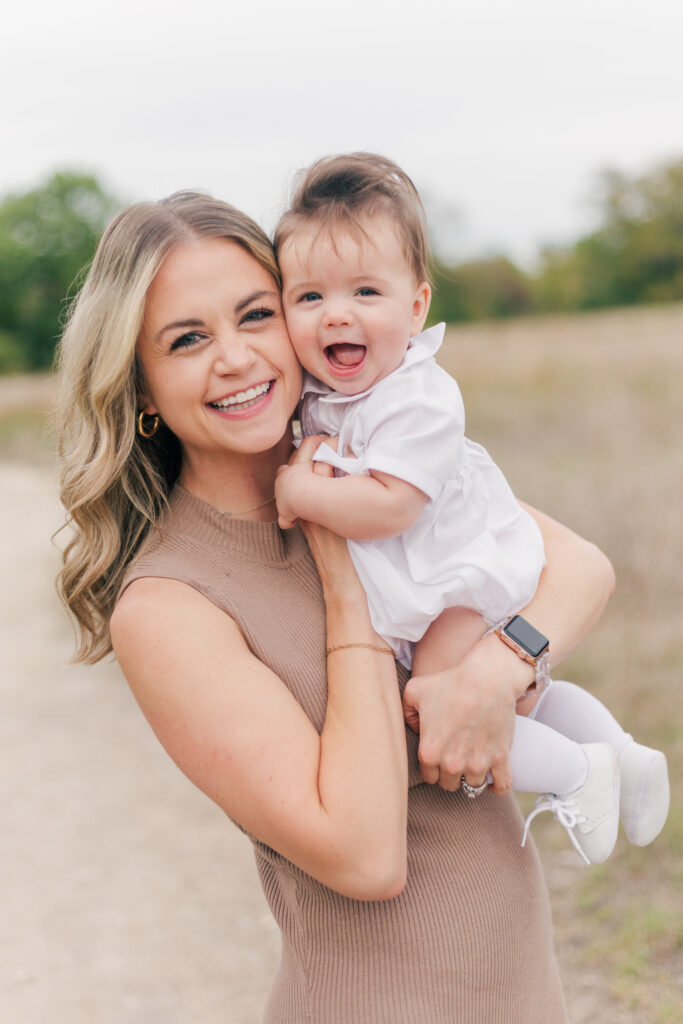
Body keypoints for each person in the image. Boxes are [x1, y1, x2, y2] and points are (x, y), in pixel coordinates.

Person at [56, 189, 615, 1023]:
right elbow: (362, 858)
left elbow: (578, 566)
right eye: (187, 339)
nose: (237, 358)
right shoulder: (169, 603)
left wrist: (497, 670)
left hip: (521, 994)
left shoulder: (368, 465)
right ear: (140, 387)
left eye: (255, 315)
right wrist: (344, 585)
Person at [274, 153, 669, 865]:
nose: (336, 312)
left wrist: (301, 492)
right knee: (537, 702)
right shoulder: (328, 392)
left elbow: (391, 505)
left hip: (457, 584)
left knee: (440, 700)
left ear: (416, 306)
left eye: (366, 291)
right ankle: (622, 754)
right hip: (439, 585)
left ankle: (578, 776)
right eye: (308, 298)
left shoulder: (416, 396)